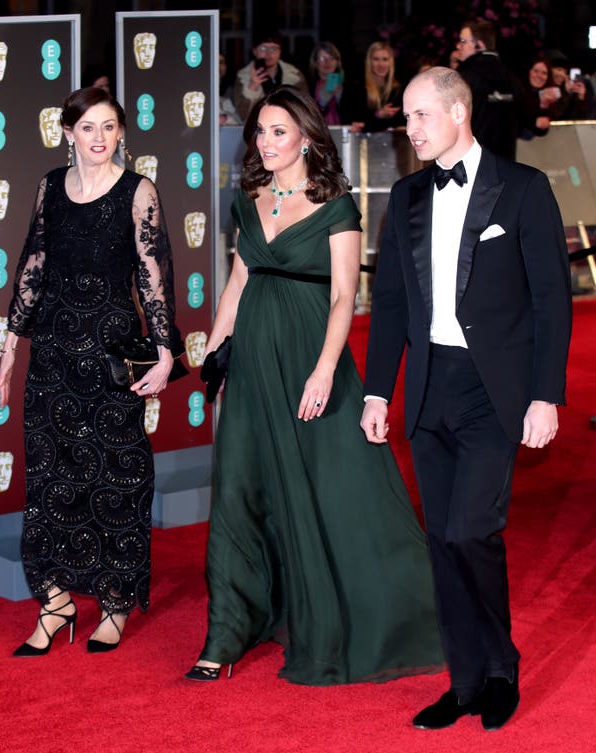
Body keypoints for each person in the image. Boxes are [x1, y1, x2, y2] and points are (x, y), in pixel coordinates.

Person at [184, 85, 443, 685]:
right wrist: (217, 356)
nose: (266, 143)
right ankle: (224, 633)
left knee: (333, 487)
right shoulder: (248, 198)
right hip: (252, 361)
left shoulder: (336, 203)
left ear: (305, 136)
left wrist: (325, 370)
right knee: (239, 491)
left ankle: (373, 611)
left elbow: (345, 296)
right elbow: (237, 283)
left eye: (279, 131)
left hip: (311, 359)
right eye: (260, 132)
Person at [361, 67, 571, 730]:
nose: (410, 128)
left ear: (458, 112)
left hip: (493, 392)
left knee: (470, 529)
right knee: (442, 542)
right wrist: (376, 391)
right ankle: (465, 680)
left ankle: (501, 667)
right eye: (407, 117)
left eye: (421, 115)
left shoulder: (523, 190)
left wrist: (546, 397)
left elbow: (552, 303)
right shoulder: (407, 195)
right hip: (428, 392)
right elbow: (391, 303)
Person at [0, 87, 182, 656]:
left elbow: (154, 275)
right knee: (50, 476)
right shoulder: (50, 187)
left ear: (121, 133)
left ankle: (117, 600)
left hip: (108, 353)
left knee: (120, 473)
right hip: (52, 352)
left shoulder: (137, 190)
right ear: (67, 132)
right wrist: (9, 350)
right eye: (88, 127)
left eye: (109, 127)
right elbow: (33, 262)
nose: (99, 137)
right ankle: (55, 600)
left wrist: (166, 348)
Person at [456, 18, 522, 159]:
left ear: (479, 45)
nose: (458, 46)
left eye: (463, 41)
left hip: (472, 165)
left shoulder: (464, 78)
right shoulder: (512, 77)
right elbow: (527, 118)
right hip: (506, 164)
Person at [234, 32, 307, 121]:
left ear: (280, 51)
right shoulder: (242, 77)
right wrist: (251, 88)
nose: (268, 53)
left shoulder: (295, 76)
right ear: (254, 51)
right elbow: (243, 115)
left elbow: (303, 110)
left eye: (273, 48)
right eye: (263, 48)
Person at [345, 41, 404, 132]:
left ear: (390, 62)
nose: (381, 64)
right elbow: (351, 120)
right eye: (376, 59)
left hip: (392, 142)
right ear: (369, 62)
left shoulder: (397, 89)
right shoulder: (357, 88)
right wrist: (378, 114)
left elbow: (400, 121)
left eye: (385, 59)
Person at [307, 41, 346, 125]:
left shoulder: (346, 85)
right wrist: (322, 103)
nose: (327, 62)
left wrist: (340, 98)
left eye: (331, 58)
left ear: (337, 62)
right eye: (322, 58)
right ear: (315, 62)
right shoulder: (308, 86)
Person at [518, 56, 555, 140]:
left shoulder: (551, 94)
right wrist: (534, 122)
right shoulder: (518, 93)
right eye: (536, 71)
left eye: (544, 73)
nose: (539, 76)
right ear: (529, 72)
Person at [546, 51, 588, 121]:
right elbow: (554, 116)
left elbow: (578, 119)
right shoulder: (544, 90)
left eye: (565, 72)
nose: (563, 75)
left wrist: (581, 99)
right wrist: (565, 93)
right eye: (559, 70)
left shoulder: (566, 91)